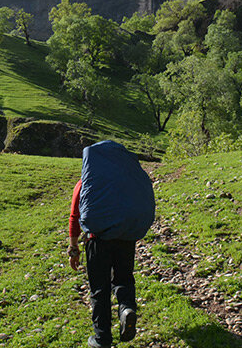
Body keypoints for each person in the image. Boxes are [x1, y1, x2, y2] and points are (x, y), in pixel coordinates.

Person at [67, 140, 154, 347]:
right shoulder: (127, 183)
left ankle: (102, 338)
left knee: (99, 289)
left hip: (97, 241)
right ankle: (126, 308)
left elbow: (74, 216)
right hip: (125, 238)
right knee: (123, 279)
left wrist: (73, 248)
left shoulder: (86, 183)